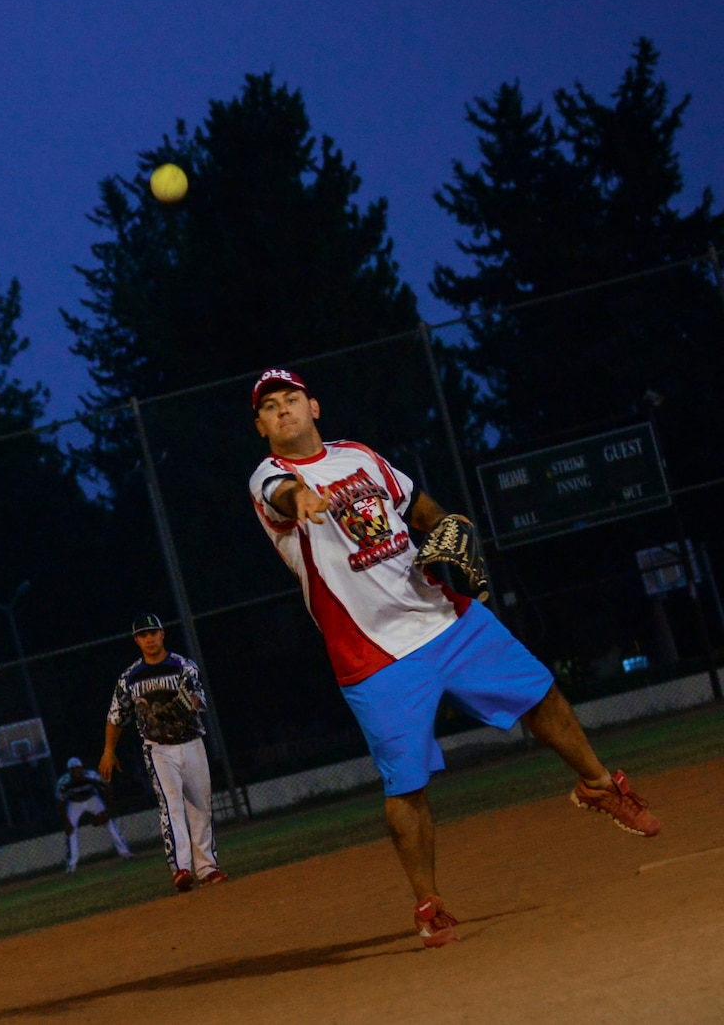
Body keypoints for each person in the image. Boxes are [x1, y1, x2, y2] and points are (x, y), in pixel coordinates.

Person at [247, 367, 660, 949]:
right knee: (406, 785)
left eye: (292, 399)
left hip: (444, 617)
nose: (283, 409)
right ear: (261, 425)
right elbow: (283, 496)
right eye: (271, 406)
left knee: (540, 692)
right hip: (373, 654)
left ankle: (598, 785)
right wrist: (304, 497)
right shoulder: (271, 476)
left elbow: (415, 504)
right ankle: (429, 902)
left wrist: (444, 526)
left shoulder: (361, 455)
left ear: (314, 407)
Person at [100, 614, 228, 892]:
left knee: (200, 806)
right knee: (171, 805)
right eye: (143, 635)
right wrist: (109, 750)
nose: (149, 638)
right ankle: (181, 868)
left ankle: (207, 868)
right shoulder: (129, 677)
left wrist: (189, 703)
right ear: (137, 640)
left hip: (192, 742)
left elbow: (196, 696)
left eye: (153, 633)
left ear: (162, 634)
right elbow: (116, 715)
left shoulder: (183, 666)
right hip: (158, 750)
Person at [55, 755, 133, 872]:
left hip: (92, 799)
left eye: (78, 768)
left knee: (110, 823)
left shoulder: (91, 776)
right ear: (69, 771)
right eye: (73, 769)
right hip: (74, 803)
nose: (76, 771)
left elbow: (108, 788)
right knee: (71, 831)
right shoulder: (64, 782)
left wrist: (108, 811)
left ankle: (126, 853)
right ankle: (71, 865)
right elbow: (60, 802)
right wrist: (66, 822)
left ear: (82, 768)